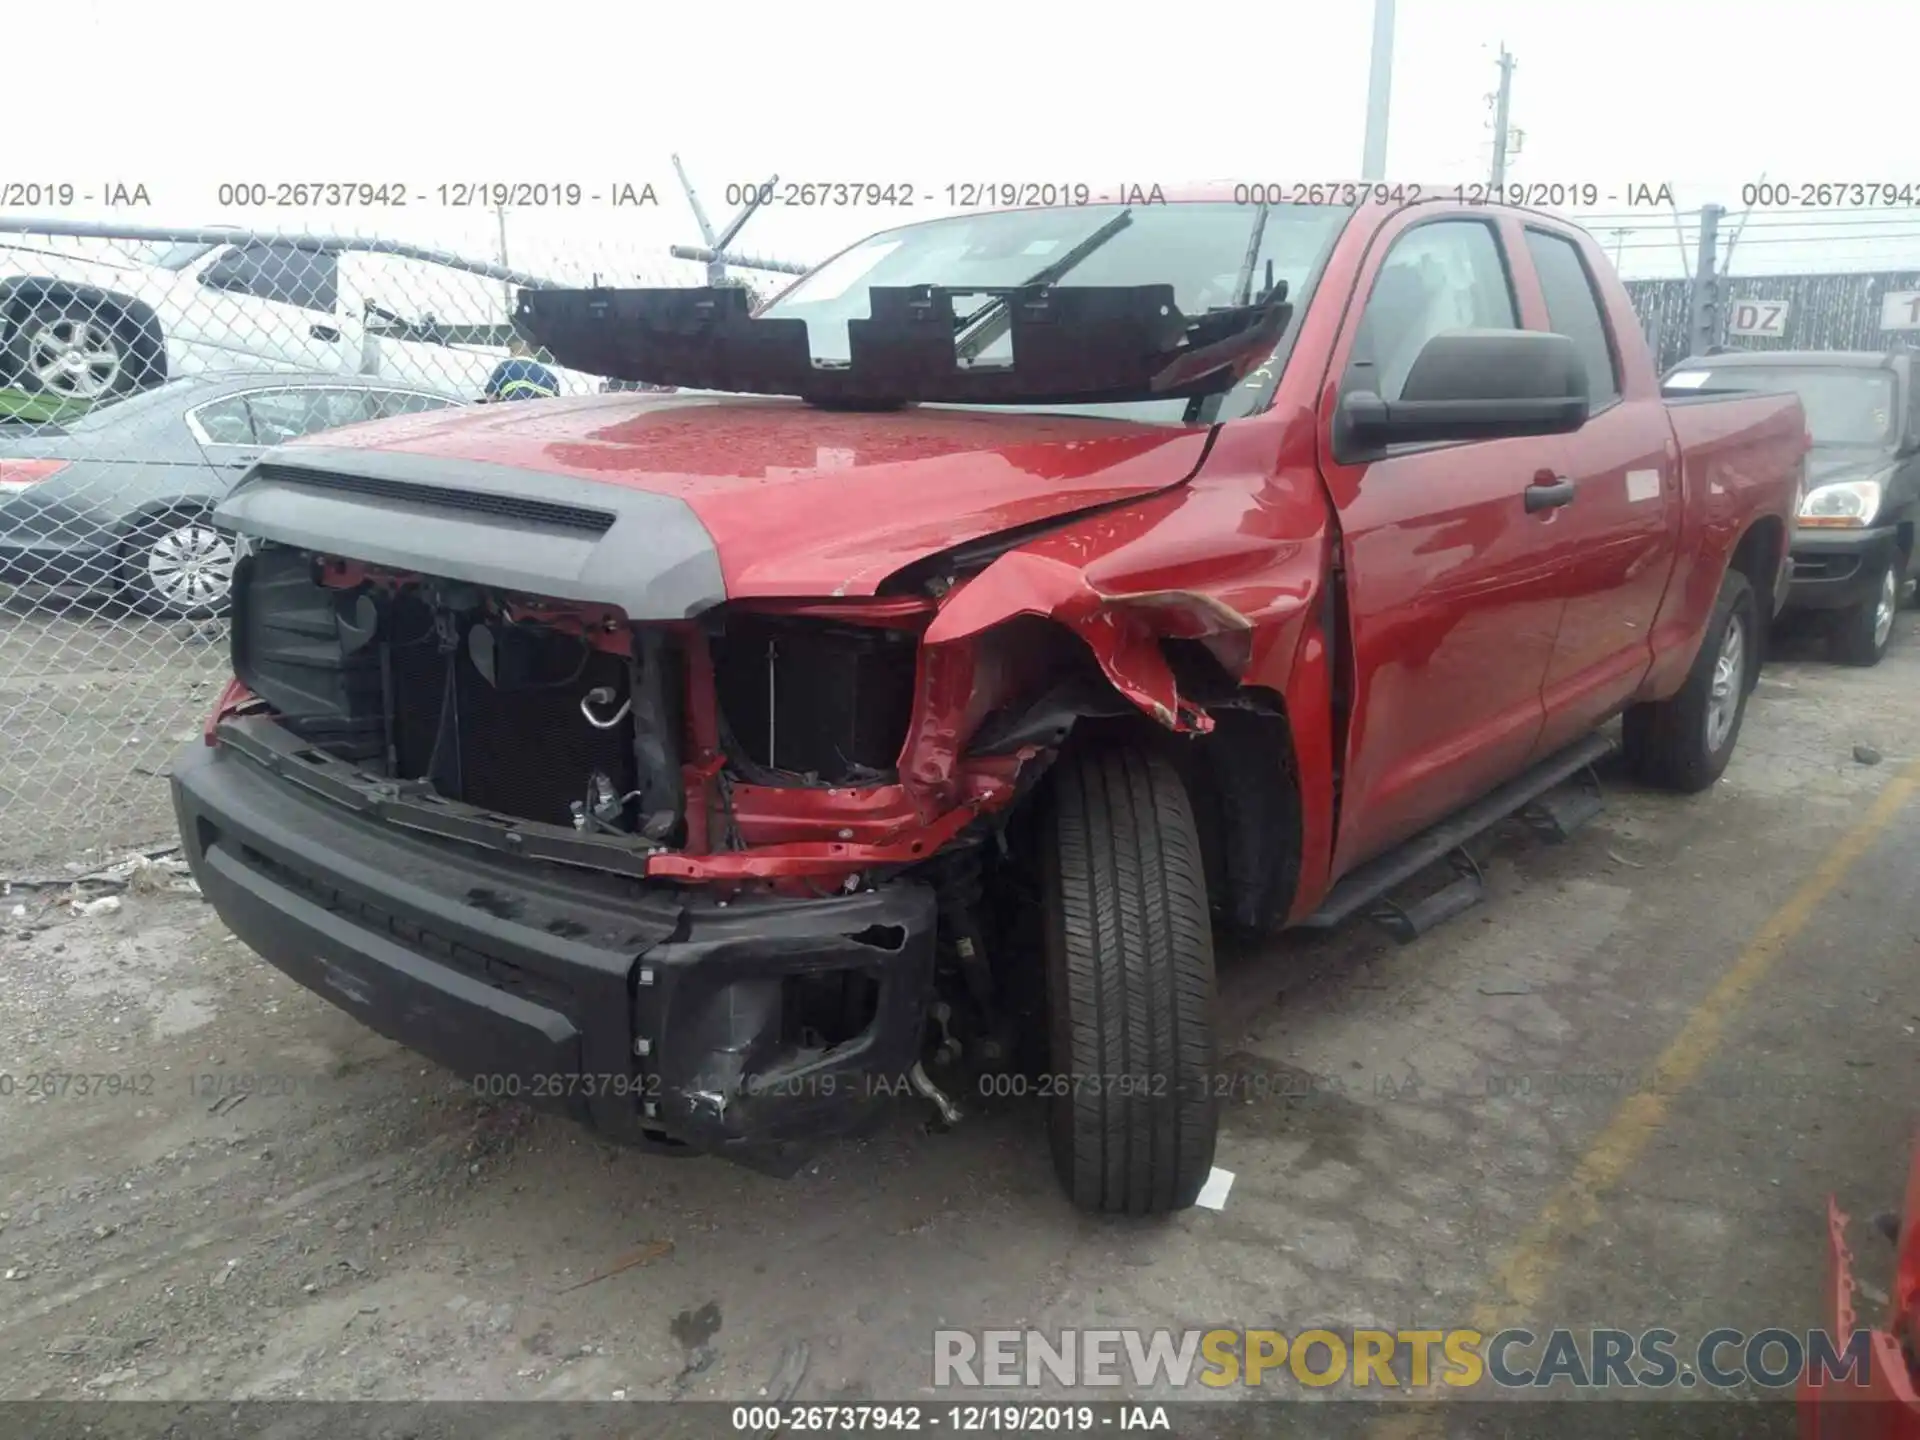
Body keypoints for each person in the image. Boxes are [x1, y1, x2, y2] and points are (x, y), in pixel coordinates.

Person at [481, 333, 561, 403]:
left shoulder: (506, 365)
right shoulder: (550, 375)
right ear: (531, 354)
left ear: (512, 353)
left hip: (515, 409)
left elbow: (491, 397)